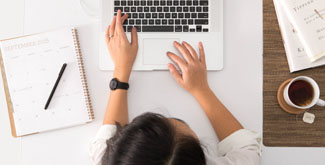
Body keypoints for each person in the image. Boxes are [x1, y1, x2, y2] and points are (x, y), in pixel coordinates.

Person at [89, 10, 261, 165]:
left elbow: (107, 140)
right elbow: (247, 148)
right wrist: (201, 90)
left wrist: (121, 68)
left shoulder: (109, 159)